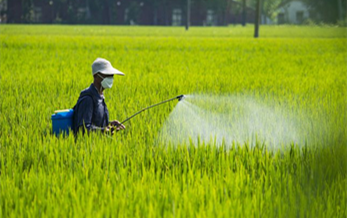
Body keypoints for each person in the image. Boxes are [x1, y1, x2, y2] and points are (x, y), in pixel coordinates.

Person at [73, 58, 125, 135]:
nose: (110, 78)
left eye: (111, 75)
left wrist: (109, 124)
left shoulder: (100, 96)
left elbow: (96, 123)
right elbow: (83, 128)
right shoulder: (87, 99)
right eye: (107, 75)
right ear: (96, 76)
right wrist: (103, 130)